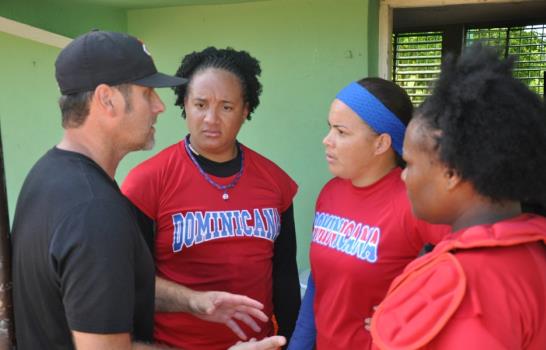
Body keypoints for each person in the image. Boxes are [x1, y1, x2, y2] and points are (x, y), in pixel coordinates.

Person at [11, 30, 286, 350]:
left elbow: (106, 290)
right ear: (107, 99)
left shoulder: (48, 176)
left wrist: (193, 301)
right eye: (147, 93)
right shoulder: (94, 210)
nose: (159, 106)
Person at [121, 47, 301, 349]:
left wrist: (294, 343)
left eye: (226, 107)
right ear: (184, 105)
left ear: (246, 110)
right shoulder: (146, 183)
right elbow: (132, 284)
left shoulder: (276, 182)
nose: (211, 118)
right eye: (200, 104)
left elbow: (284, 278)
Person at [371, 43, 546, 349]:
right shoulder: (534, 250)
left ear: (451, 173)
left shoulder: (466, 287)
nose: (403, 175)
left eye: (410, 164)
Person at [287, 78, 448, 350]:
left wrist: (417, 311)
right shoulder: (330, 193)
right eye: (330, 128)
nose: (327, 140)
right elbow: (319, 284)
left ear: (381, 143)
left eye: (341, 132)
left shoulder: (413, 199)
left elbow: (478, 266)